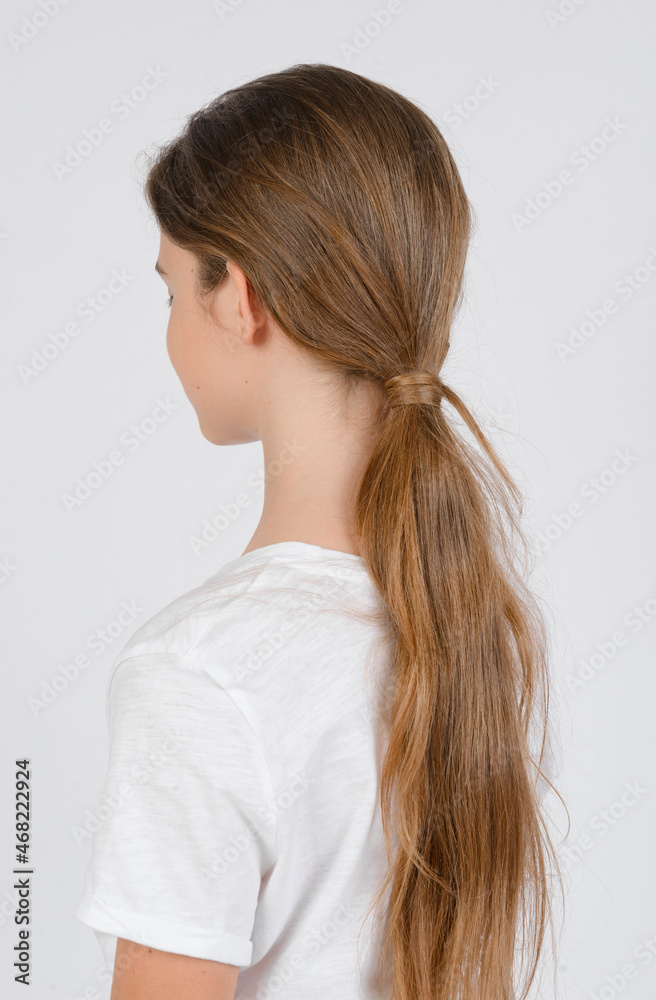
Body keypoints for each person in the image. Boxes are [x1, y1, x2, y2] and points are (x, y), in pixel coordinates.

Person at [74, 62, 566, 1000]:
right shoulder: (469, 625)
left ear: (240, 297)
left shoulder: (199, 673)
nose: (170, 327)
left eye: (171, 292)